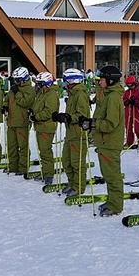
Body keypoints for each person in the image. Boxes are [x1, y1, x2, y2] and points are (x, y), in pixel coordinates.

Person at [79, 65, 124, 217]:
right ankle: (112, 200)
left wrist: (93, 124)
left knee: (112, 175)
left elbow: (110, 123)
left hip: (110, 142)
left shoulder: (112, 98)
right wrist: (91, 122)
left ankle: (116, 205)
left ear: (110, 80)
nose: (99, 82)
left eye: (102, 79)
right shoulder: (107, 95)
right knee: (108, 174)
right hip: (105, 141)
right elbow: (101, 117)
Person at [54, 68, 90, 197]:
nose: (64, 84)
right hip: (70, 134)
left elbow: (83, 114)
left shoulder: (80, 94)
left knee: (77, 163)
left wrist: (69, 118)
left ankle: (79, 186)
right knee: (66, 161)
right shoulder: (72, 94)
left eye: (65, 81)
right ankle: (72, 183)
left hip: (78, 134)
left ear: (72, 80)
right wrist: (63, 116)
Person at [3, 67, 36, 175]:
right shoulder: (14, 88)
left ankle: (23, 167)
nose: (17, 81)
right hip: (11, 121)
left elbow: (24, 102)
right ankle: (13, 166)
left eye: (19, 79)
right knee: (11, 146)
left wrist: (17, 93)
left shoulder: (30, 90)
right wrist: (5, 107)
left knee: (23, 147)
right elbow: (7, 99)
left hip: (22, 122)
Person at [29, 72, 59, 184]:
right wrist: (32, 111)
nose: (38, 86)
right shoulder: (42, 92)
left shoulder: (51, 94)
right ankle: (45, 171)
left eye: (41, 84)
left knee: (46, 151)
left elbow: (49, 111)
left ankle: (48, 174)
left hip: (46, 126)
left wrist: (36, 117)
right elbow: (38, 105)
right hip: (40, 126)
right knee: (42, 151)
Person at [123, 75, 139, 149]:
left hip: (136, 112)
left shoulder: (138, 92)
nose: (129, 87)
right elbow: (123, 101)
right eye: (128, 85)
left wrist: (135, 101)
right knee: (128, 128)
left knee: (137, 128)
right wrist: (127, 101)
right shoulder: (127, 92)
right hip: (128, 113)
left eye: (130, 85)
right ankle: (129, 142)